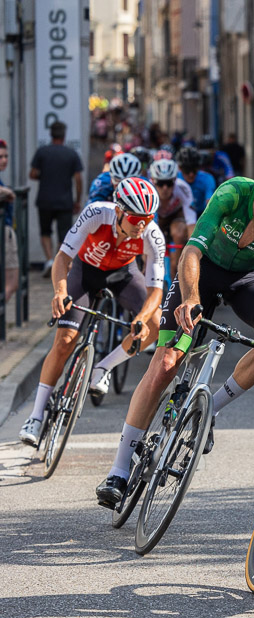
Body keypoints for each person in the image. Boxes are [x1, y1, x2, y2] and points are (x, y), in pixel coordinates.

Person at [96, 143, 254, 508]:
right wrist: (191, 298)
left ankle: (209, 409)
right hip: (204, 269)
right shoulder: (233, 193)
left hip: (250, 277)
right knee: (166, 363)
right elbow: (192, 251)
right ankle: (119, 470)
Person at [18, 179, 165, 446]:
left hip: (122, 274)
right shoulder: (97, 213)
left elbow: (156, 290)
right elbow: (63, 258)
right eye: (135, 217)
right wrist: (60, 291)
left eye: (148, 217)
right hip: (85, 272)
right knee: (64, 341)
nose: (142, 224)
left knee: (155, 323)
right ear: (119, 211)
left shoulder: (151, 235)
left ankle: (103, 368)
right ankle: (36, 416)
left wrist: (141, 318)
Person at [30, 121, 84, 277]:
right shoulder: (71, 154)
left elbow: (32, 174)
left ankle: (48, 260)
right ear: (64, 135)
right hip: (65, 201)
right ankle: (57, 262)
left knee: (45, 232)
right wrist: (78, 199)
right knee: (64, 235)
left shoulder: (42, 152)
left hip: (45, 199)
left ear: (51, 134)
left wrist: (44, 175)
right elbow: (78, 179)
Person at [148, 158, 196, 281]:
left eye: (169, 183)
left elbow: (191, 223)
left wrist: (192, 250)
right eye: (160, 183)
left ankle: (178, 269)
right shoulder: (147, 190)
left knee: (179, 233)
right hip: (154, 218)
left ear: (175, 181)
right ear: (153, 181)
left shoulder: (183, 188)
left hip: (175, 217)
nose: (165, 188)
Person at [176, 147, 216, 219]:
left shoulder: (207, 178)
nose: (191, 174)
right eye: (187, 170)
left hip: (201, 215)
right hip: (181, 215)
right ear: (180, 168)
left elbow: (210, 202)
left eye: (194, 169)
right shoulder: (175, 179)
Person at [0, 140, 18, 301]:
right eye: (0, 157)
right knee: (12, 281)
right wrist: (7, 192)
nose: (4, 160)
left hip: (6, 229)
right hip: (4, 230)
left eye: (6, 156)